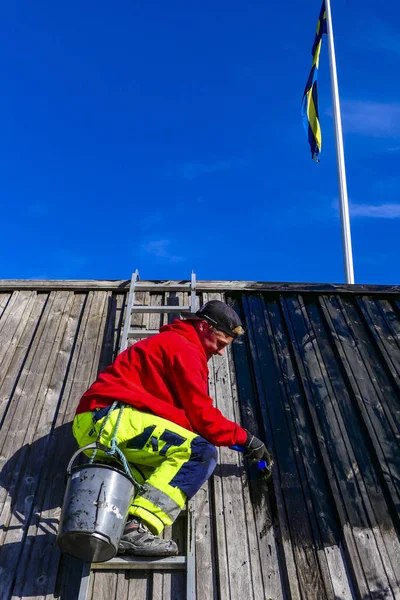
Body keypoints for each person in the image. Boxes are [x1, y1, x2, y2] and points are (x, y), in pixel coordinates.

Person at [73, 300, 271, 557]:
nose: (221, 352)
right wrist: (249, 440)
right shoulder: (185, 349)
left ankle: (111, 529)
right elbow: (203, 418)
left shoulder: (171, 344)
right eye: (220, 343)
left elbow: (186, 422)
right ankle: (136, 529)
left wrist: (236, 442)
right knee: (199, 453)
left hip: (95, 425)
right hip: (112, 421)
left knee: (156, 474)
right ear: (204, 327)